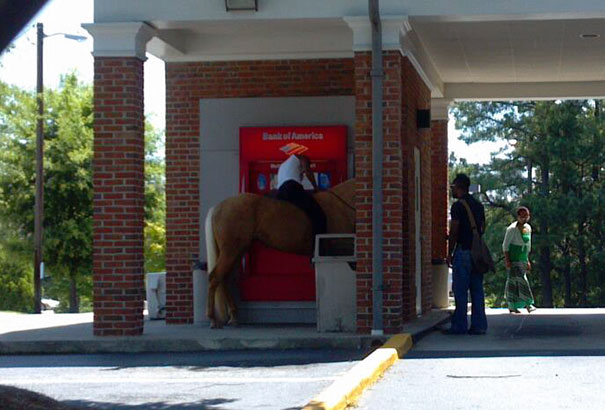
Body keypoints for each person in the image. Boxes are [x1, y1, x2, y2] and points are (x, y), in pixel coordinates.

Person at [445, 173, 488, 335]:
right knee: (477, 289)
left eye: (453, 187)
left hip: (463, 251)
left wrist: (449, 252)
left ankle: (459, 326)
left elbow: (454, 230)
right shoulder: (478, 205)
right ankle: (479, 325)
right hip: (477, 253)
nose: (452, 190)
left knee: (461, 290)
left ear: (458, 187)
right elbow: (483, 227)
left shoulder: (458, 206)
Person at [275, 154, 327, 240]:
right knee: (319, 214)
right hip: (292, 188)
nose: (303, 171)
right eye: (308, 164)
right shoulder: (302, 158)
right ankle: (320, 244)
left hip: (280, 192)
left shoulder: (283, 165)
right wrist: (316, 188)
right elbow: (308, 172)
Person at [503, 206, 536, 314]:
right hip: (513, 258)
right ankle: (528, 303)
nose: (525, 219)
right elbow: (505, 246)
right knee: (521, 280)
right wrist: (508, 260)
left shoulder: (528, 228)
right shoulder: (512, 229)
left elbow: (528, 245)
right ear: (518, 217)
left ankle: (513, 305)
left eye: (527, 216)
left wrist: (527, 260)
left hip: (523, 258)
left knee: (514, 283)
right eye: (522, 217)